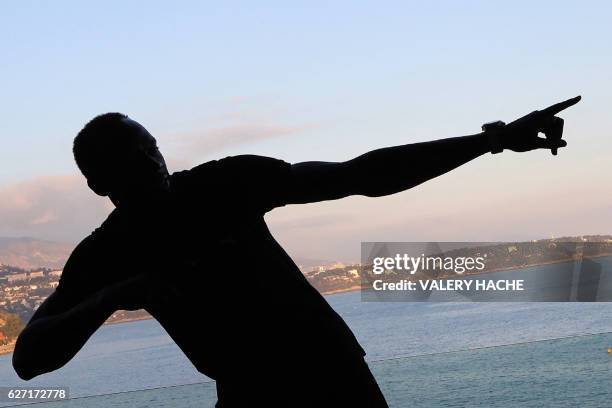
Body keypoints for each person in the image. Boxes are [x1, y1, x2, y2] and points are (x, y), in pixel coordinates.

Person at [12, 96, 581, 407]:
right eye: (133, 159)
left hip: (338, 377)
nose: (153, 163)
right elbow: (29, 358)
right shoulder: (105, 254)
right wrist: (114, 295)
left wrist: (488, 142)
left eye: (152, 148)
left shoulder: (224, 182)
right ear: (97, 183)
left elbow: (359, 174)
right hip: (252, 401)